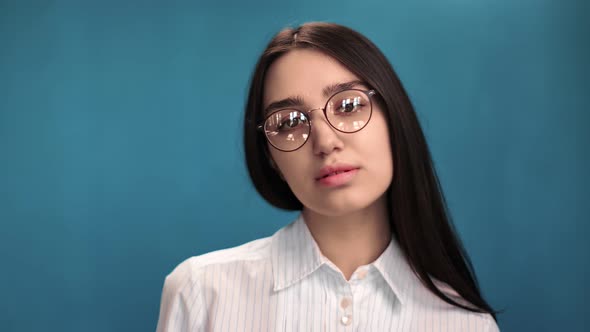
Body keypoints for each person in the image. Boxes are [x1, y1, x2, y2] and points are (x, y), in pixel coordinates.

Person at [156, 22, 500, 331]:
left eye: (348, 106)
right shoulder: (201, 292)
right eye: (289, 122)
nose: (325, 142)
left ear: (394, 119)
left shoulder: (465, 323)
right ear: (270, 156)